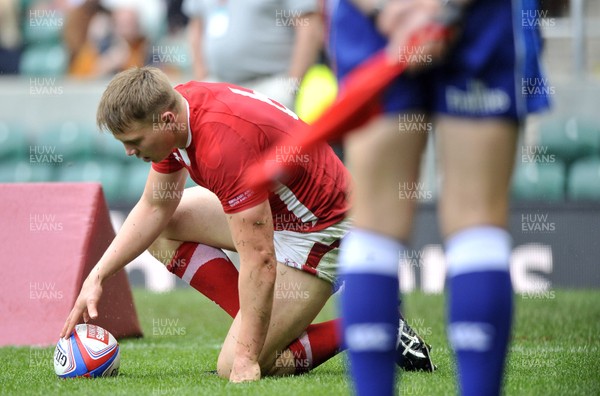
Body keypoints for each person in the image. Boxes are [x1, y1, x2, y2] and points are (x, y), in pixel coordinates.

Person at [59, 66, 434, 382]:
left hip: (319, 232)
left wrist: (246, 356)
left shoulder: (222, 146)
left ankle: (370, 321)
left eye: (134, 140)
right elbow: (156, 205)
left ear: (166, 120)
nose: (129, 151)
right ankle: (269, 324)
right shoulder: (177, 106)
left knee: (235, 365)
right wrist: (98, 275)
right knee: (161, 230)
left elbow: (261, 260)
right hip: (279, 212)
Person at [330, 0, 550, 395]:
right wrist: (441, 8)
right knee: (476, 220)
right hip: (479, 18)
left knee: (374, 226)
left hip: (374, 19)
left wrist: (387, 10)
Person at [182, 0, 324, 109]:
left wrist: (289, 89)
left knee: (273, 147)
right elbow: (196, 26)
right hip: (219, 88)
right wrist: (203, 81)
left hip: (270, 88)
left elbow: (309, 27)